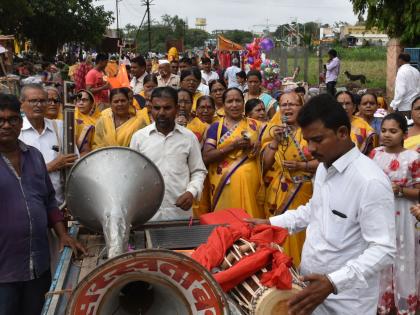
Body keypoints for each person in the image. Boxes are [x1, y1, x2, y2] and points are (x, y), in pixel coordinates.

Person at [247, 94, 396, 315]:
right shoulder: (326, 167)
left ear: (343, 133)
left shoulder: (369, 181)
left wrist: (333, 282)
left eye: (317, 139)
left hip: (346, 300)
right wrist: (270, 224)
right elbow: (313, 210)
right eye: (307, 140)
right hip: (311, 289)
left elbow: (384, 249)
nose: (311, 149)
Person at [0, 94, 86, 315]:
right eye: (0, 120)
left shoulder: (34, 156)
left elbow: (49, 200)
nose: (6, 125)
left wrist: (63, 234)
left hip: (38, 265)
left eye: (12, 120)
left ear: (20, 123)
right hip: (4, 271)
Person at [130, 87, 207, 221]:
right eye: (156, 108)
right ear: (150, 109)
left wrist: (191, 192)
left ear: (177, 109)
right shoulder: (139, 138)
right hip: (147, 214)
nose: (161, 113)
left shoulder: (189, 138)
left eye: (167, 108)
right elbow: (131, 174)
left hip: (179, 212)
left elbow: (198, 171)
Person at [370, 113, 419, 315]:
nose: (387, 135)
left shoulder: (413, 158)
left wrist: (399, 190)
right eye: (384, 131)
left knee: (404, 256)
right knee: (379, 253)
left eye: (393, 131)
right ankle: (381, 301)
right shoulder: (375, 154)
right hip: (380, 215)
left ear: (404, 134)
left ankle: (405, 303)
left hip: (405, 216)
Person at [260, 92, 317, 266]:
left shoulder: (312, 131)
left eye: (292, 104)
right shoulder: (272, 132)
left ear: (302, 107)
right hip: (277, 193)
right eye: (283, 105)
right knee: (280, 235)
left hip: (304, 192)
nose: (287, 108)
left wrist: (302, 166)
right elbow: (264, 165)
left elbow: (324, 161)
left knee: (301, 235)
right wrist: (275, 142)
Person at [202, 88, 264, 218]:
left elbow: (271, 148)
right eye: (230, 101)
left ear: (243, 103)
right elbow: (207, 156)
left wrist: (260, 145)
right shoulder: (216, 128)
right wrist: (232, 146)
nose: (234, 105)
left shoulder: (257, 126)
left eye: (238, 101)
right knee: (226, 226)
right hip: (224, 185)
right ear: (223, 105)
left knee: (250, 226)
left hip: (251, 185)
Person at [18, 84, 78, 204]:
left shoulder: (60, 127)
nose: (38, 105)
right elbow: (14, 174)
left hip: (59, 204)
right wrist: (51, 166)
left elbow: (75, 163)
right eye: (33, 101)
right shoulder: (16, 131)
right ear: (21, 104)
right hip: (27, 205)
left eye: (43, 101)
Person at [390, 53, 420, 119]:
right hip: (415, 107)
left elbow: (401, 92)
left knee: (403, 128)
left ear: (400, 60)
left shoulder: (401, 71)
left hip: (404, 108)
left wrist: (394, 105)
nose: (397, 63)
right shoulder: (416, 71)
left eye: (397, 61)